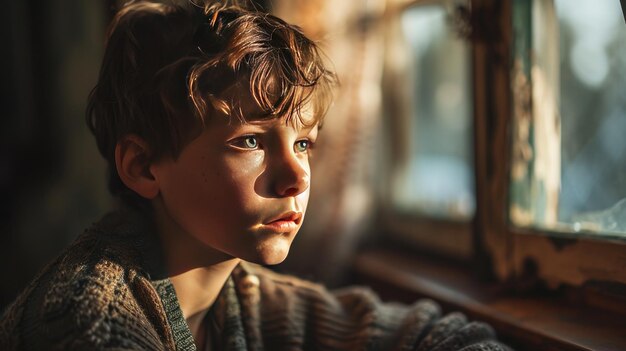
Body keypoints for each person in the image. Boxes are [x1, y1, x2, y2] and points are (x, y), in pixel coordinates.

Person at [0, 1, 511, 350]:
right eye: (250, 140)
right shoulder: (91, 324)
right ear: (141, 167)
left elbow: (432, 334)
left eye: (303, 143)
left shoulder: (237, 292)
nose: (297, 177)